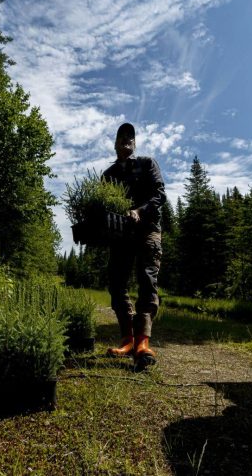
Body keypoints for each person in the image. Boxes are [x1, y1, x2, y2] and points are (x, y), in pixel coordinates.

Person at [102, 122, 166, 370]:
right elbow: (103, 205)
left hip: (148, 230)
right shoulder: (108, 175)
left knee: (147, 278)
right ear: (116, 143)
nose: (126, 140)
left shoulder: (148, 164)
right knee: (116, 282)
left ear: (135, 143)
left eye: (130, 136)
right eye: (121, 136)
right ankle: (127, 339)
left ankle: (142, 341)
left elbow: (159, 194)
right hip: (121, 234)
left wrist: (139, 211)